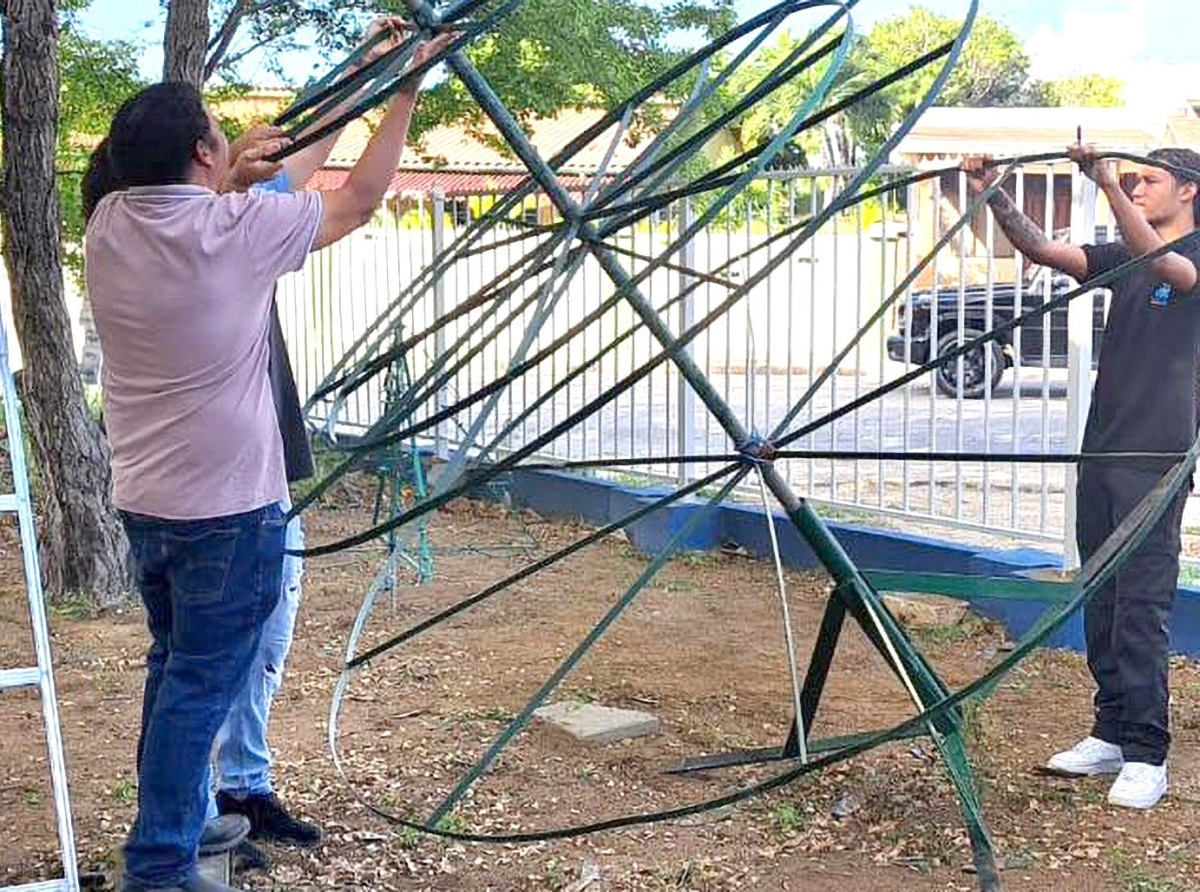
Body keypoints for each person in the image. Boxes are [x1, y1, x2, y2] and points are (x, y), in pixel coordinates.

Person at [85, 19, 454, 892]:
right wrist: (403, 92)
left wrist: (363, 73)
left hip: (150, 505)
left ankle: (173, 832)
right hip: (226, 511)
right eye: (218, 134)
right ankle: (162, 864)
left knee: (174, 673)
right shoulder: (233, 235)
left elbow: (276, 182)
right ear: (207, 160)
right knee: (196, 691)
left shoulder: (109, 223)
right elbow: (356, 199)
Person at [963, 144, 1200, 811]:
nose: (1136, 187)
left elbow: (1171, 268)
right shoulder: (1127, 253)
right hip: (1100, 452)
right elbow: (1045, 251)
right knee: (1098, 594)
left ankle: (1149, 753)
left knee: (1141, 608)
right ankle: (1111, 733)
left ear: (1188, 191)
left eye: (1148, 181)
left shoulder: (1187, 255)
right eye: (1130, 180)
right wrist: (993, 193)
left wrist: (1106, 186)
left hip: (1156, 460)